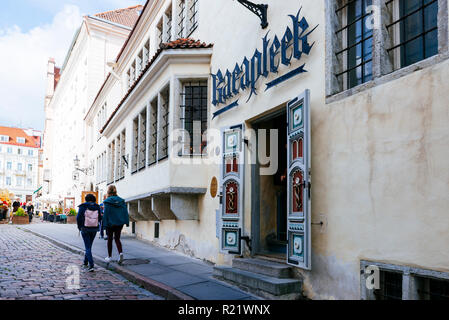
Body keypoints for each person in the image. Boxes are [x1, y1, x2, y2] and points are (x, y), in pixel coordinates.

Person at [103, 185, 129, 264]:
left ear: (108, 191)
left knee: (110, 239)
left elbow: (106, 214)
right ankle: (120, 253)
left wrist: (104, 224)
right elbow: (125, 212)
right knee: (117, 239)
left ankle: (109, 257)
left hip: (110, 223)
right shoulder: (121, 201)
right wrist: (126, 222)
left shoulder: (107, 201)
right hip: (119, 222)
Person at [76, 194, 102, 272]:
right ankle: (85, 262)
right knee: (89, 246)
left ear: (86, 199)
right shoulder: (97, 206)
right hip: (94, 228)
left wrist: (79, 227)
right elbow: (100, 218)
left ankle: (91, 265)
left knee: (87, 247)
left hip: (85, 228)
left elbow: (78, 217)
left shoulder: (83, 206)